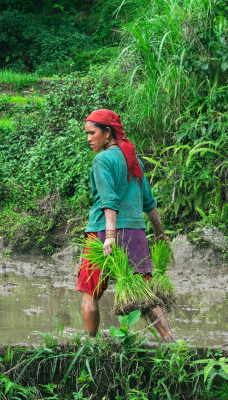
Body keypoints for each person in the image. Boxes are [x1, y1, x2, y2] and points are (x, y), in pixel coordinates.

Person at [77, 109, 173, 342]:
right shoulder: (133, 158)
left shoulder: (102, 160)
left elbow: (109, 200)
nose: (89, 139)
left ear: (107, 132)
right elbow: (149, 202)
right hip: (136, 233)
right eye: (87, 134)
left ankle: (92, 343)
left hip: (102, 233)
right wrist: (160, 233)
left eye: (92, 133)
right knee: (143, 294)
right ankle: (170, 340)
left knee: (90, 291)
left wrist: (109, 235)